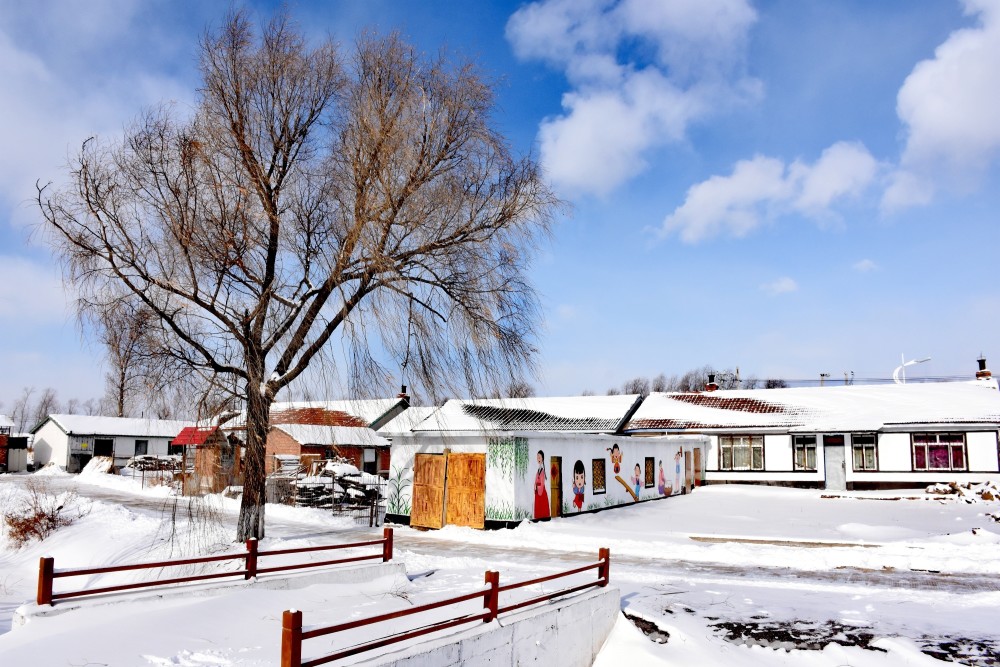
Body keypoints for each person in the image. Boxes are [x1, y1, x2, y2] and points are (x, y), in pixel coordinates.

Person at [534, 450, 550, 519]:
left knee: (542, 506)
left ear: (542, 458)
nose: (538, 459)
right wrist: (535, 485)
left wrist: (537, 487)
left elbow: (542, 482)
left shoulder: (542, 471)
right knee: (538, 505)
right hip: (538, 490)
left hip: (541, 491)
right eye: (537, 457)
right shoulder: (539, 469)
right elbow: (536, 480)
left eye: (539, 457)